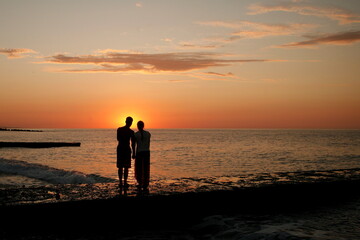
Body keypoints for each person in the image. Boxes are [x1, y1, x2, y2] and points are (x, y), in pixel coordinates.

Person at [117, 116, 136, 188]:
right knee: (122, 167)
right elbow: (132, 143)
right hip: (123, 149)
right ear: (126, 122)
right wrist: (133, 152)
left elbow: (133, 143)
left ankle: (123, 182)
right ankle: (122, 182)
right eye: (129, 122)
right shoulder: (128, 131)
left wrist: (134, 153)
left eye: (130, 122)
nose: (130, 123)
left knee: (124, 167)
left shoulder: (123, 130)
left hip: (124, 149)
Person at [134, 121, 151, 190]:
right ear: (143, 126)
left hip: (139, 152)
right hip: (146, 151)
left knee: (139, 167)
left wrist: (133, 153)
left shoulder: (136, 134)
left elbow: (133, 145)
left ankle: (140, 182)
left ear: (138, 126)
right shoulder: (148, 134)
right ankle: (145, 182)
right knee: (146, 167)